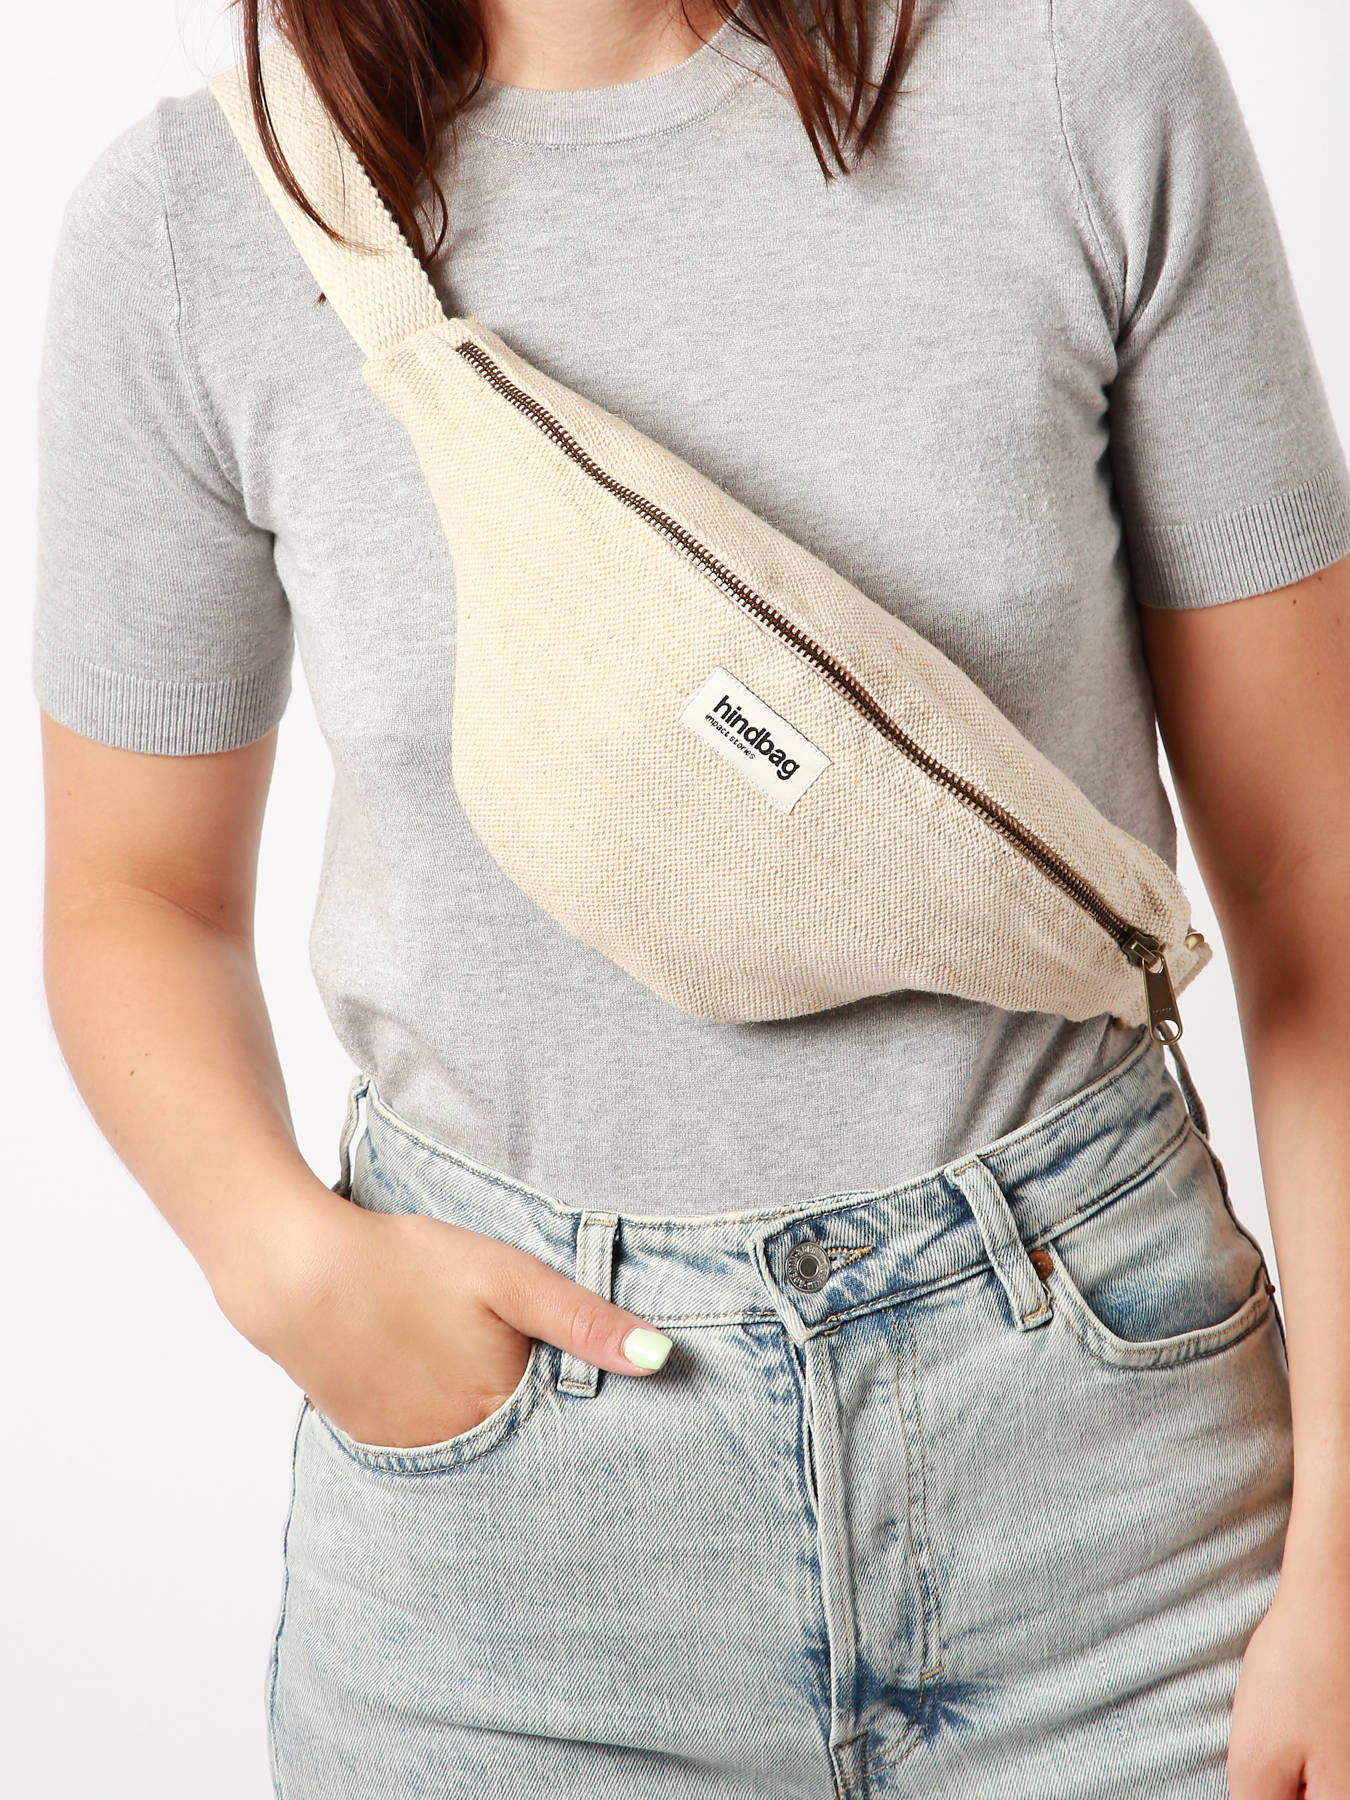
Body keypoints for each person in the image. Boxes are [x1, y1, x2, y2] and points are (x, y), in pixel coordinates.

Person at [31, 0, 1350, 1794]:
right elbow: (134, 892)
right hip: (509, 1556)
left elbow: (1308, 868)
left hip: (1112, 1509)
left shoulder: (1070, 74)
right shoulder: (199, 225)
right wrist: (287, 1266)